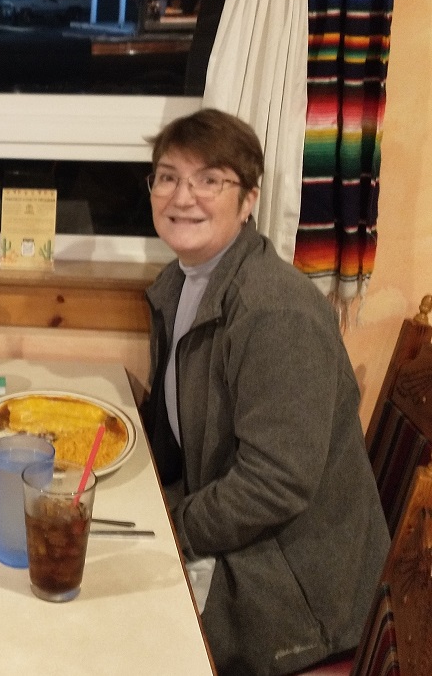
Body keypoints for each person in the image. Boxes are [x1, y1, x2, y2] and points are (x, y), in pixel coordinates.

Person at [142, 109, 389, 675]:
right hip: (244, 545)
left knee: (115, 626)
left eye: (209, 180)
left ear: (248, 199)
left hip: (295, 593)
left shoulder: (276, 312)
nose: (183, 196)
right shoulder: (180, 283)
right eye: (168, 177)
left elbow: (275, 483)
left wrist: (173, 527)